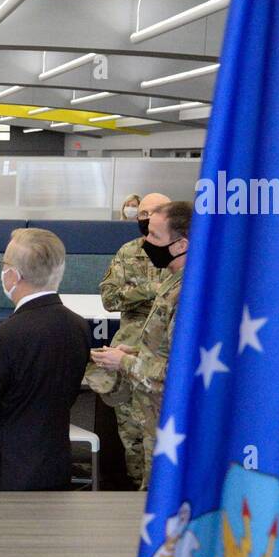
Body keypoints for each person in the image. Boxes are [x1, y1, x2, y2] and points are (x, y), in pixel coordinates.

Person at [0, 228, 92, 490]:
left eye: (4, 264)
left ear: (13, 275)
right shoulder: (79, 326)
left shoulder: (3, 338)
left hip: (4, 469)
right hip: (56, 462)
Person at [90, 199, 191, 488]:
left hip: (172, 422)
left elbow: (179, 372)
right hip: (155, 417)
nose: (146, 241)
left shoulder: (190, 294)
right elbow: (165, 349)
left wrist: (124, 362)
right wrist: (131, 351)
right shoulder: (175, 281)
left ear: (180, 245)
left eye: (155, 236)